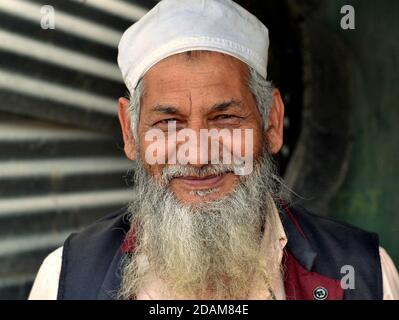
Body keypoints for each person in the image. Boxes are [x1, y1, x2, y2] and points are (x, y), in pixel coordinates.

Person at [29, 0, 399, 300]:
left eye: (225, 118)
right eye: (168, 123)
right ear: (130, 132)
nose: (198, 156)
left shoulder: (364, 276)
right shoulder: (66, 279)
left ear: (271, 123)